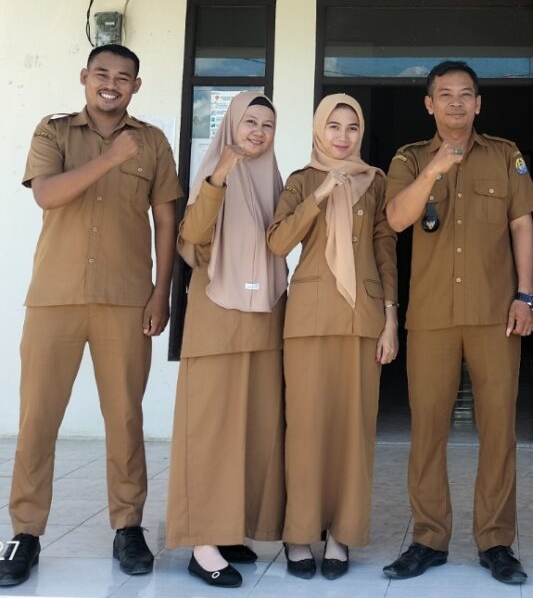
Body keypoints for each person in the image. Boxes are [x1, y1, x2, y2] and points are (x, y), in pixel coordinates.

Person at [1, 45, 183, 589]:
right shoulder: (54, 132)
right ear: (84, 77)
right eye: (102, 73)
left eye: (124, 77)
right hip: (54, 298)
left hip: (126, 299)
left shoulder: (153, 142)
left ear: (136, 86)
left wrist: (161, 293)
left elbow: (166, 221)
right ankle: (25, 532)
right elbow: (47, 195)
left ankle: (128, 527)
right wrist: (110, 157)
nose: (112, 83)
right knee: (38, 419)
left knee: (125, 417)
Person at [382, 61, 533, 585]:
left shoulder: (505, 155)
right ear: (429, 104)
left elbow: (522, 225)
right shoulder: (409, 158)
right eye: (445, 94)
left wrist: (526, 295)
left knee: (498, 430)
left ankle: (496, 541)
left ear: (478, 103)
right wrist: (434, 170)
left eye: (465, 94)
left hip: (496, 314)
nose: (456, 102)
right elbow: (396, 218)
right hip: (431, 316)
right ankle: (429, 539)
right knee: (427, 430)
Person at [267, 94, 398, 581]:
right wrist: (321, 194)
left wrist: (390, 318)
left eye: (352, 127)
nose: (343, 137)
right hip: (309, 318)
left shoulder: (376, 181)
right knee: (305, 429)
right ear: (319, 130)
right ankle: (299, 534)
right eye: (334, 126)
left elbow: (385, 250)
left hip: (363, 318)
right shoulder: (302, 179)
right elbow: (278, 241)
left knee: (353, 430)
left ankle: (341, 534)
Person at [166, 91, 287, 588]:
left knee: (254, 431)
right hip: (216, 318)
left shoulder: (274, 180)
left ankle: (231, 528)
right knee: (211, 431)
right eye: (249, 121)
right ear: (231, 125)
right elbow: (193, 235)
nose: (258, 131)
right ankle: (203, 543)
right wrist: (220, 176)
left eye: (267, 124)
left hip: (264, 321)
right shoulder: (213, 174)